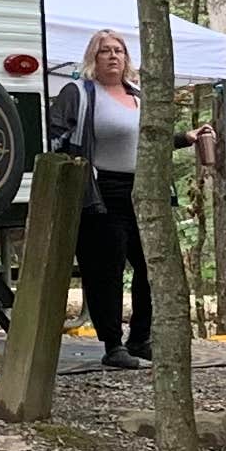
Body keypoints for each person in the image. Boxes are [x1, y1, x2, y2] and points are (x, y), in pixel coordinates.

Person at [49, 27, 155, 369]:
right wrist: (72, 170)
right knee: (106, 269)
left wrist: (188, 137)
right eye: (105, 50)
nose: (113, 56)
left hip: (142, 190)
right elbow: (54, 137)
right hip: (100, 191)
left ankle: (140, 338)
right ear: (93, 58)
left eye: (119, 50)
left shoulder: (138, 95)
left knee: (150, 266)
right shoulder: (79, 92)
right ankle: (113, 345)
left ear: (127, 58)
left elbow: (150, 141)